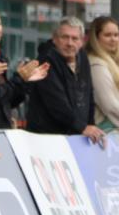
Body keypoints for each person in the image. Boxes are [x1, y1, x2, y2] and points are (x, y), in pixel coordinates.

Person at [26, 17, 106, 145]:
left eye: (75, 38)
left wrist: (90, 125)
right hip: (47, 139)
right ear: (55, 39)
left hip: (76, 138)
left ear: (81, 41)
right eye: (65, 37)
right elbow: (56, 104)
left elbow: (88, 96)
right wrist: (82, 127)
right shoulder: (46, 60)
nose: (70, 43)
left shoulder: (83, 57)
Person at [0, 5, 48, 129]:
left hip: (2, 130)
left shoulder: (1, 57)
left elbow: (7, 100)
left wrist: (24, 82)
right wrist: (18, 80)